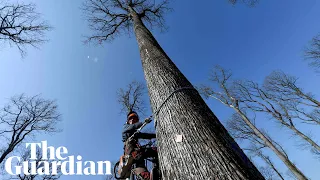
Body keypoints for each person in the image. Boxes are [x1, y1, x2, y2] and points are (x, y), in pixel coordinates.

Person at [119, 111, 157, 180]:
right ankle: (147, 177)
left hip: (138, 151)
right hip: (131, 151)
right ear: (128, 120)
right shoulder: (125, 127)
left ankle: (157, 169)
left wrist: (156, 135)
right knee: (138, 163)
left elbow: (144, 135)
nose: (133, 120)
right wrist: (143, 123)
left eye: (135, 119)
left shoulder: (135, 132)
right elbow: (132, 127)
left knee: (154, 150)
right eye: (131, 118)